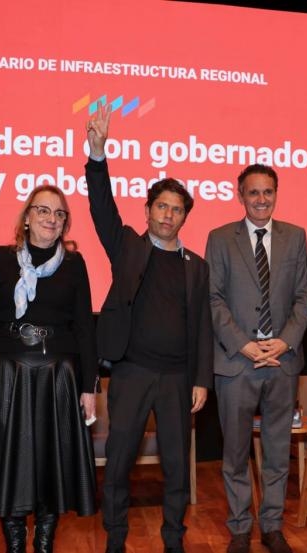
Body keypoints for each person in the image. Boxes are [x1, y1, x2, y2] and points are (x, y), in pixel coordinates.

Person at [84, 104, 213, 553]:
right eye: (162, 206)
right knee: (119, 462)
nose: (168, 215)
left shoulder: (197, 267)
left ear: (184, 217)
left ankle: (173, 540)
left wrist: (201, 379)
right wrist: (97, 155)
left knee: (177, 468)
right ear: (147, 210)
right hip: (132, 372)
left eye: (177, 210)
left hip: (178, 378)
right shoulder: (127, 247)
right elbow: (101, 207)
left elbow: (203, 326)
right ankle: (115, 540)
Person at [0, 185, 98, 553]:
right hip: (6, 375)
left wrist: (89, 387)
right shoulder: (1, 258)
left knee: (51, 464)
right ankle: (14, 543)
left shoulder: (74, 264)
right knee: (10, 464)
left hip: (59, 378)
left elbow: (85, 328)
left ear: (65, 223)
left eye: (59, 213)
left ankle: (43, 543)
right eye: (43, 210)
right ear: (27, 217)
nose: (51, 219)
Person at [205, 164, 307, 553]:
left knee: (278, 453)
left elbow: (302, 296)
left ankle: (272, 526)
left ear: (276, 194)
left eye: (268, 192)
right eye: (253, 192)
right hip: (237, 362)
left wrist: (284, 342)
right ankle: (239, 528)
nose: (261, 199)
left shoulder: (295, 237)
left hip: (282, 361)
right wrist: (243, 344)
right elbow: (213, 298)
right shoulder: (220, 238)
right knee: (235, 454)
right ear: (240, 196)